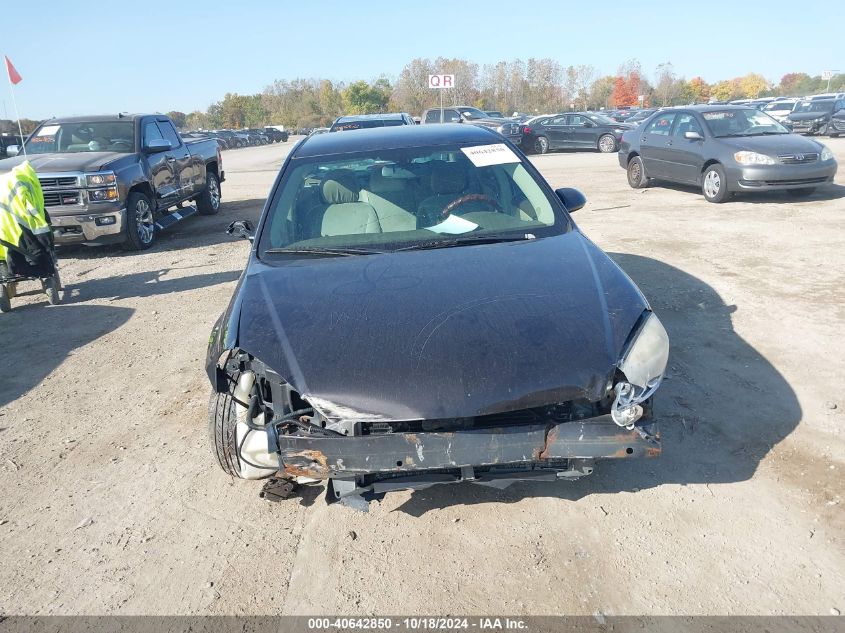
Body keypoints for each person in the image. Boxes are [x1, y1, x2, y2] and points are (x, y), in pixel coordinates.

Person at [0, 160, 56, 279]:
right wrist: (46, 240)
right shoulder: (23, 184)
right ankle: (43, 269)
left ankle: (10, 270)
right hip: (23, 233)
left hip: (6, 233)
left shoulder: (10, 184)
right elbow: (35, 213)